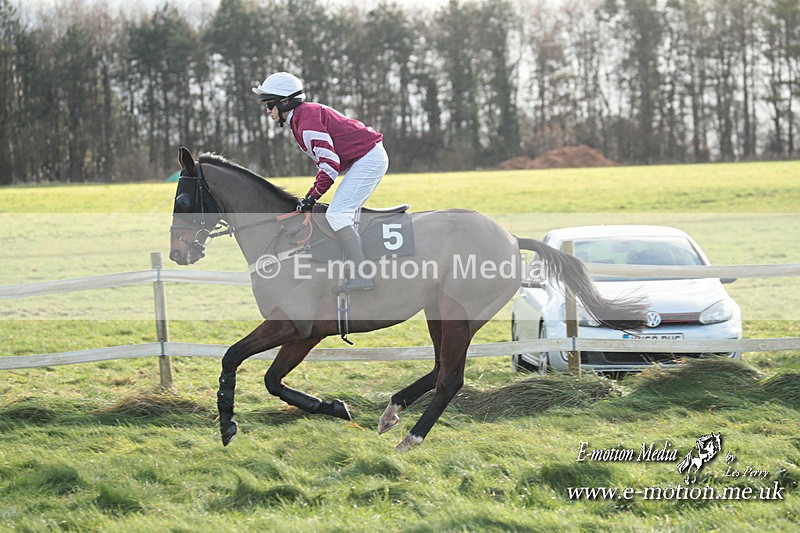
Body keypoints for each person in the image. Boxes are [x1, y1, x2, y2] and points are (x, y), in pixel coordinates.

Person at [253, 72, 388, 291]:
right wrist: (312, 196)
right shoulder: (300, 118)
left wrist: (312, 197)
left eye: (269, 105)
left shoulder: (306, 122)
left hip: (369, 159)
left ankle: (363, 275)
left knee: (337, 214)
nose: (268, 111)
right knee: (336, 212)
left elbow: (329, 166)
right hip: (364, 157)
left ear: (284, 102)